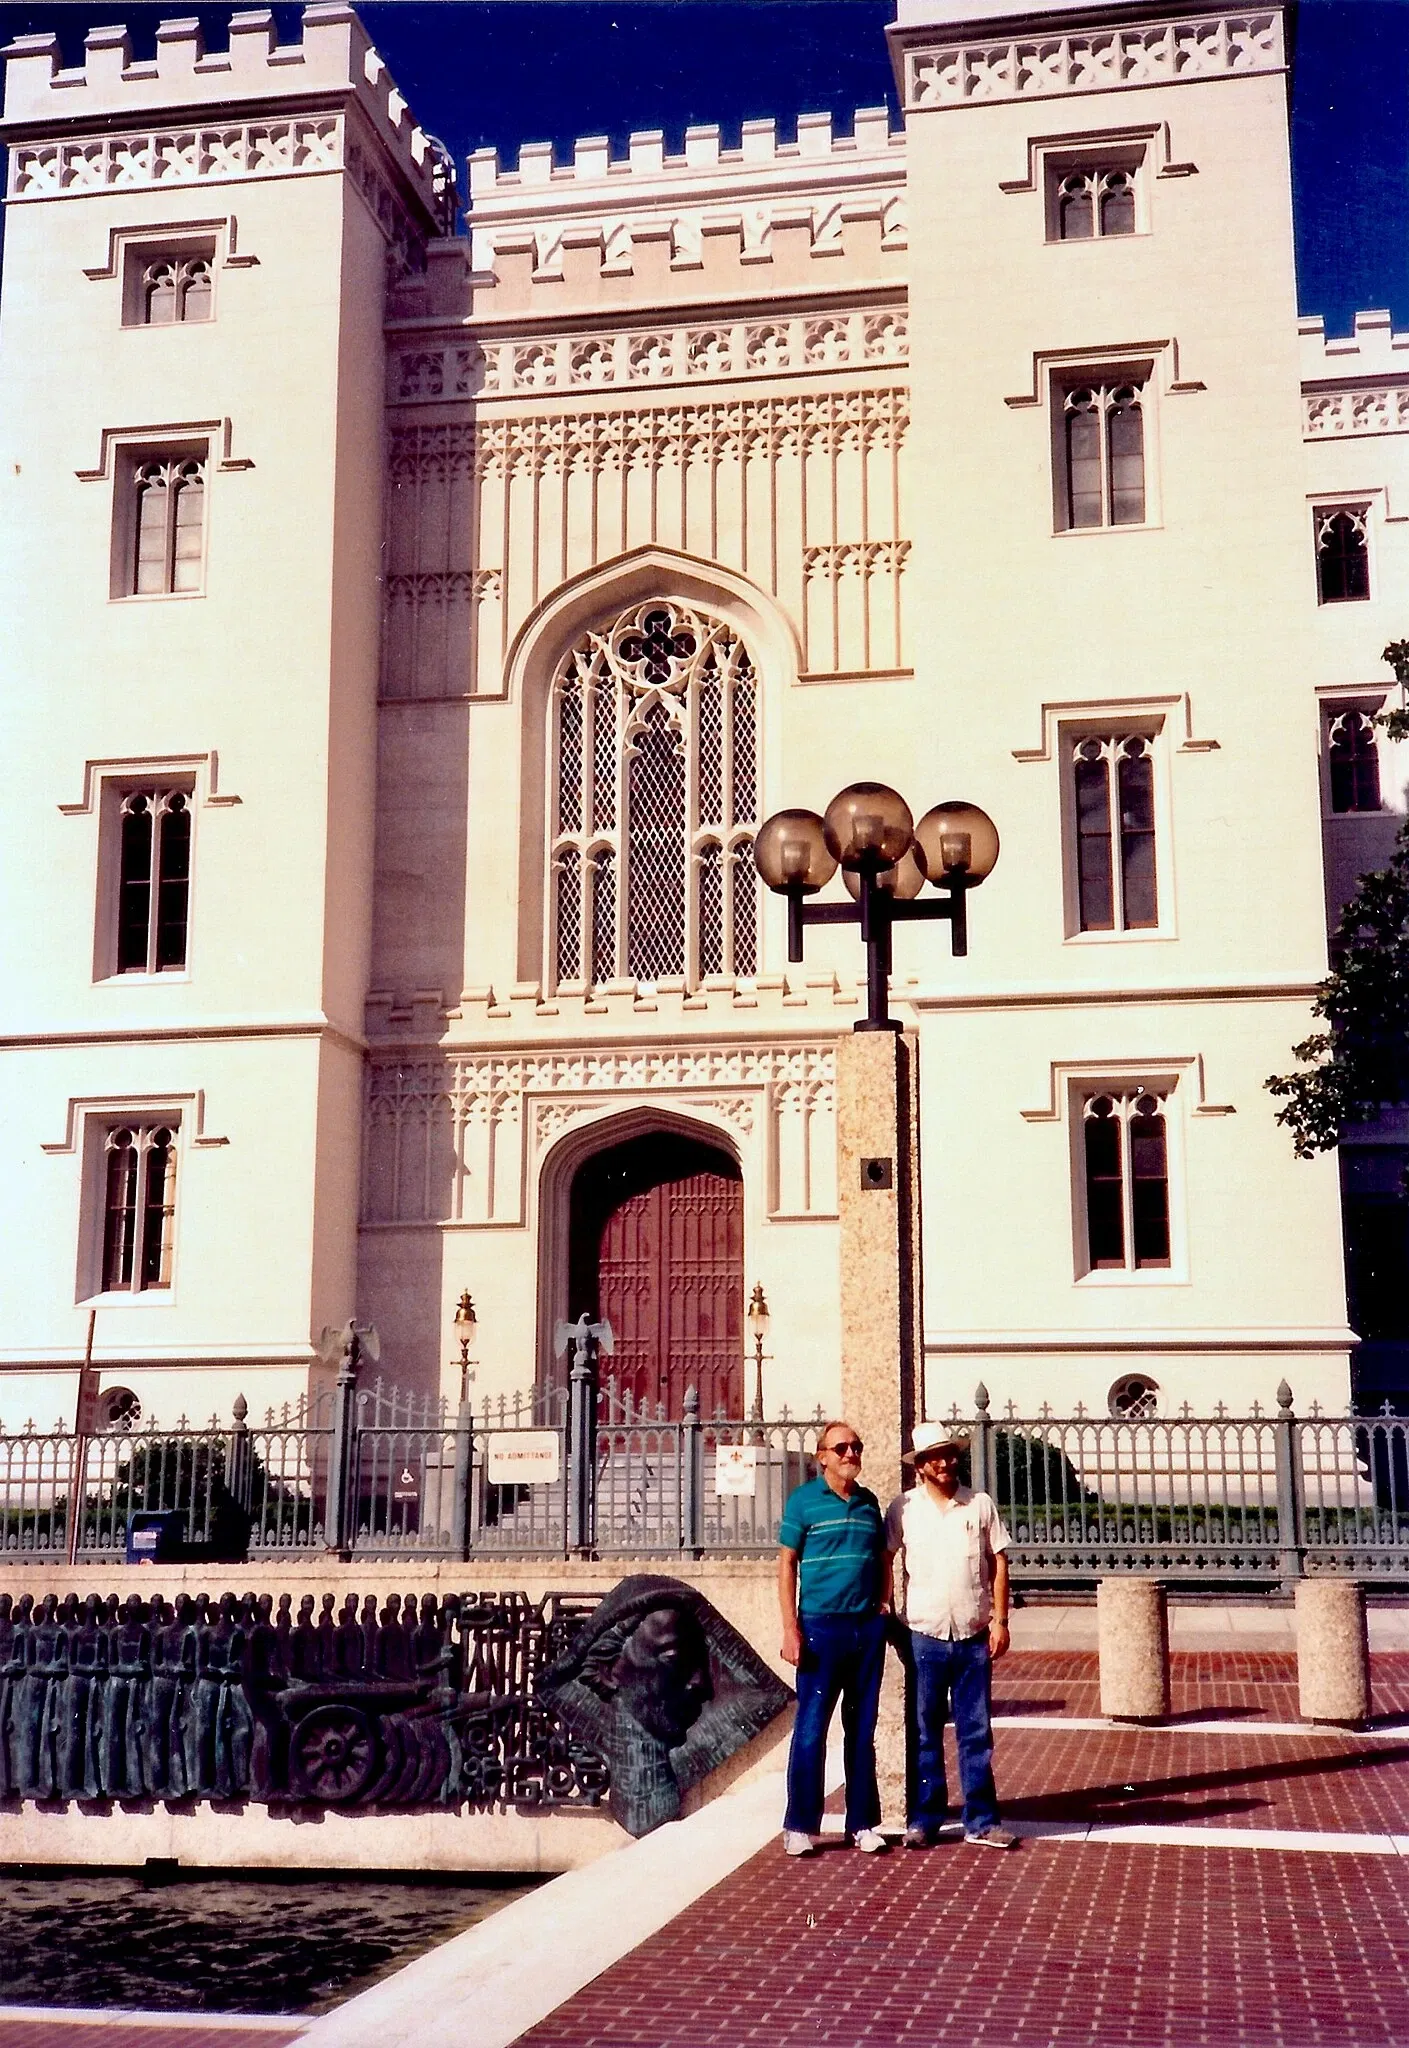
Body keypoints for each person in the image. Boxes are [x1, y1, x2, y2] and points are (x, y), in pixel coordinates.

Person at [885, 1421, 1018, 1851]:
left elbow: (999, 1562)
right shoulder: (903, 1508)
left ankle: (981, 1819)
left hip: (973, 1635)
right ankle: (925, 1818)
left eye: (948, 1454)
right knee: (924, 1730)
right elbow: (885, 1558)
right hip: (923, 1635)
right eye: (933, 1458)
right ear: (920, 1466)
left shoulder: (979, 1505)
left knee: (976, 1731)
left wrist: (1000, 1620)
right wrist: (886, 1606)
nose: (943, 1463)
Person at [778, 1419, 891, 1856]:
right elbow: (787, 1565)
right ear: (822, 1456)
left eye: (856, 1447)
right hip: (820, 1628)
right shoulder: (804, 1502)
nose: (851, 1454)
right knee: (811, 1730)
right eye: (841, 1448)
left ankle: (861, 1823)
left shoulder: (869, 1503)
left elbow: (881, 1557)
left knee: (861, 1732)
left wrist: (883, 1603)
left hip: (865, 1629)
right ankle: (800, 1826)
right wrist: (791, 1628)